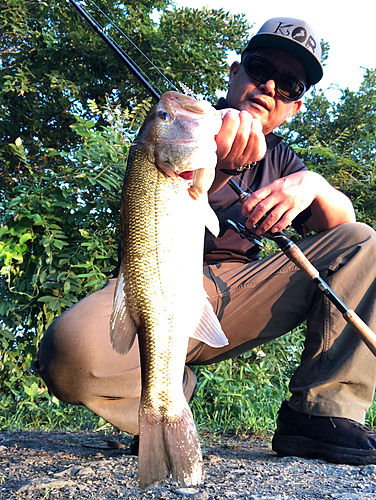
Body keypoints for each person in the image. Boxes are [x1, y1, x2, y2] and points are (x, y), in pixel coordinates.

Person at [34, 17, 376, 465]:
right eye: (258, 68)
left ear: (294, 108)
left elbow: (348, 235)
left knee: (365, 241)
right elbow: (159, 172)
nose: (269, 86)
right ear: (235, 73)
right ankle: (164, 398)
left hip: (239, 295)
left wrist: (313, 184)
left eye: (289, 85)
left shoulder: (285, 162)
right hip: (152, 288)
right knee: (68, 356)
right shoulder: (184, 130)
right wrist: (213, 148)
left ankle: (320, 414)